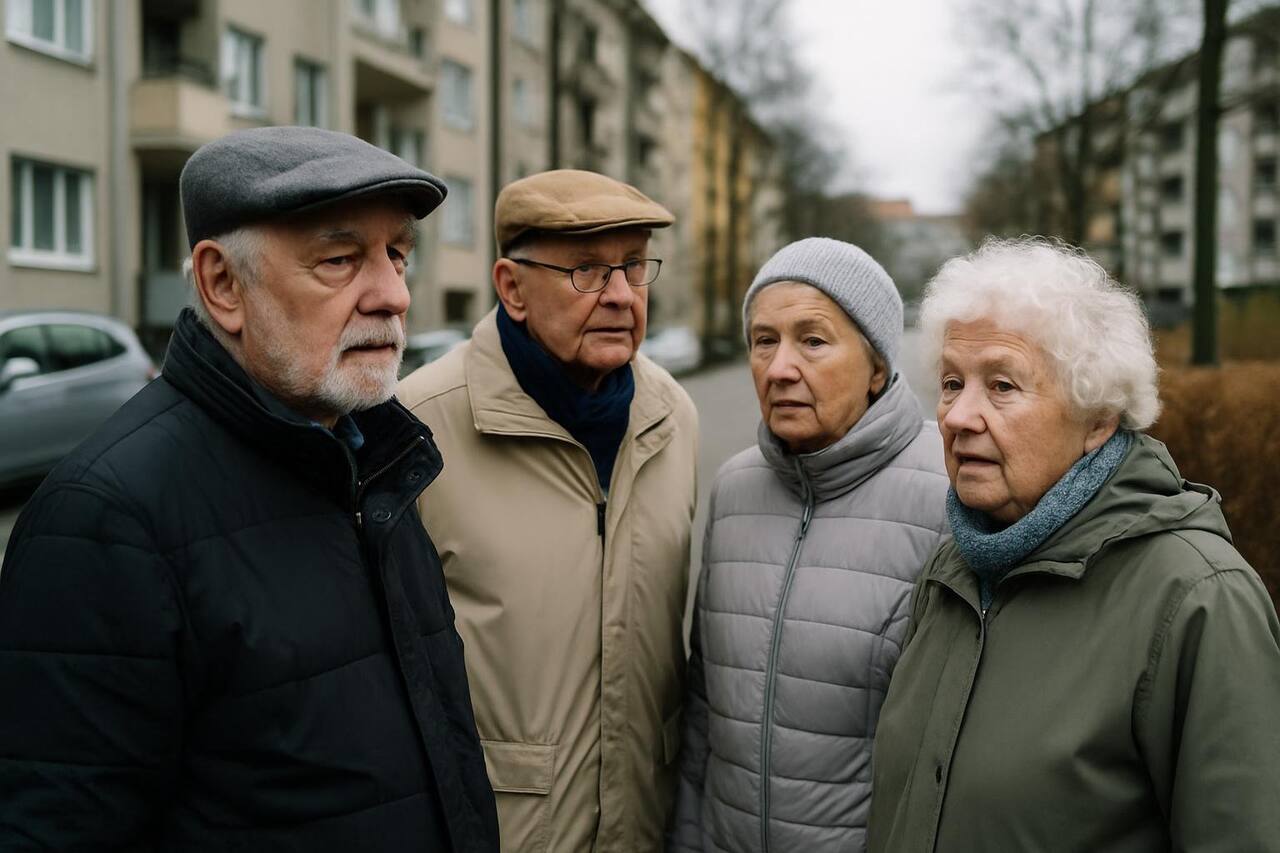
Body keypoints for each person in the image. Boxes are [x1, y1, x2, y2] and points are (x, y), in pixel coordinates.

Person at [0, 127, 499, 852]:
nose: (393, 294)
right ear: (222, 285)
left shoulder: (377, 462)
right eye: (340, 259)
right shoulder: (106, 521)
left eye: (397, 254)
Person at [868, 238, 1280, 852]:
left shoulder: (1197, 598)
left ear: (1098, 419)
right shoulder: (953, 566)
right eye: (952, 383)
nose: (956, 417)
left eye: (1002, 386)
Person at [398, 169, 698, 852]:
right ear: (511, 287)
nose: (621, 295)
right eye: (588, 271)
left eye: (632, 266)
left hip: (644, 827)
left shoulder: (673, 417)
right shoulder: (416, 429)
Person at [668, 238, 950, 852]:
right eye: (764, 340)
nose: (779, 368)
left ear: (878, 366)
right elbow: (703, 710)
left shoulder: (951, 493)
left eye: (813, 340)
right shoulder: (735, 487)